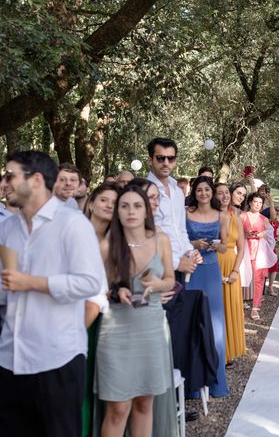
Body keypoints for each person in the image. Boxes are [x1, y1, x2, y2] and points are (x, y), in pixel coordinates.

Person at [0, 150, 106, 437]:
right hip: (10, 356)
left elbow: (90, 282)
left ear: (35, 180)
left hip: (56, 358)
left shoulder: (72, 224)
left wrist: (33, 282)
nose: (4, 183)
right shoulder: (7, 227)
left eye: (10, 175)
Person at [96, 185, 175, 437]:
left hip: (151, 326)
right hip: (117, 329)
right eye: (124, 206)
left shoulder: (161, 240)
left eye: (137, 205)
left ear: (146, 211)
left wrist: (158, 284)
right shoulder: (107, 245)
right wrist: (117, 291)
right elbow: (99, 289)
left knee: (144, 402)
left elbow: (171, 279)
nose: (131, 211)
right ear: (117, 212)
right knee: (118, 408)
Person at [185, 176, 229, 398]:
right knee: (191, 322)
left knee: (215, 324)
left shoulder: (222, 216)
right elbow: (178, 241)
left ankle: (217, 382)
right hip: (191, 269)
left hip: (211, 270)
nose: (203, 193)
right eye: (199, 190)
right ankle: (191, 385)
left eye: (207, 190)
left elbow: (225, 248)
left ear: (212, 192)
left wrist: (213, 245)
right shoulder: (185, 213)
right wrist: (194, 244)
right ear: (194, 191)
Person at [82, 182, 119, 436]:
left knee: (96, 383)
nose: (109, 206)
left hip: (104, 319)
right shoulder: (75, 232)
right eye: (104, 199)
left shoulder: (117, 241)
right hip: (72, 312)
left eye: (115, 203)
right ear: (92, 202)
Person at [146, 137, 200, 285]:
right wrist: (176, 263)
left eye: (170, 158)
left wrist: (190, 251)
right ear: (150, 159)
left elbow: (180, 229)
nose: (166, 163)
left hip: (181, 267)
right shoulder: (142, 191)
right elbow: (142, 237)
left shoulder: (177, 191)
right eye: (160, 158)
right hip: (153, 268)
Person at [214, 183, 247, 365]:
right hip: (213, 264)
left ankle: (228, 352)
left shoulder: (237, 217)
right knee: (216, 310)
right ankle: (216, 352)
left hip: (231, 265)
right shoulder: (210, 216)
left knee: (230, 308)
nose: (225, 196)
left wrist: (235, 271)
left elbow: (241, 248)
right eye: (220, 193)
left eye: (227, 192)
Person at [241, 193, 276, 321]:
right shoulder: (242, 216)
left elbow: (271, 235)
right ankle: (239, 302)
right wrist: (245, 233)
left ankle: (255, 307)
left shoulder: (264, 219)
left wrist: (263, 234)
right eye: (255, 201)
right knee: (241, 277)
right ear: (250, 202)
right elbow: (234, 232)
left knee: (259, 279)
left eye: (260, 203)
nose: (257, 204)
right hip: (243, 250)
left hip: (259, 251)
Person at [266, 206, 279, 296]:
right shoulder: (267, 220)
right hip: (265, 245)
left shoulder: (277, 222)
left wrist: (277, 238)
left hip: (272, 246)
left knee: (274, 267)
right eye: (277, 210)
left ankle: (270, 287)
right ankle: (260, 288)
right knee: (264, 266)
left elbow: (276, 233)